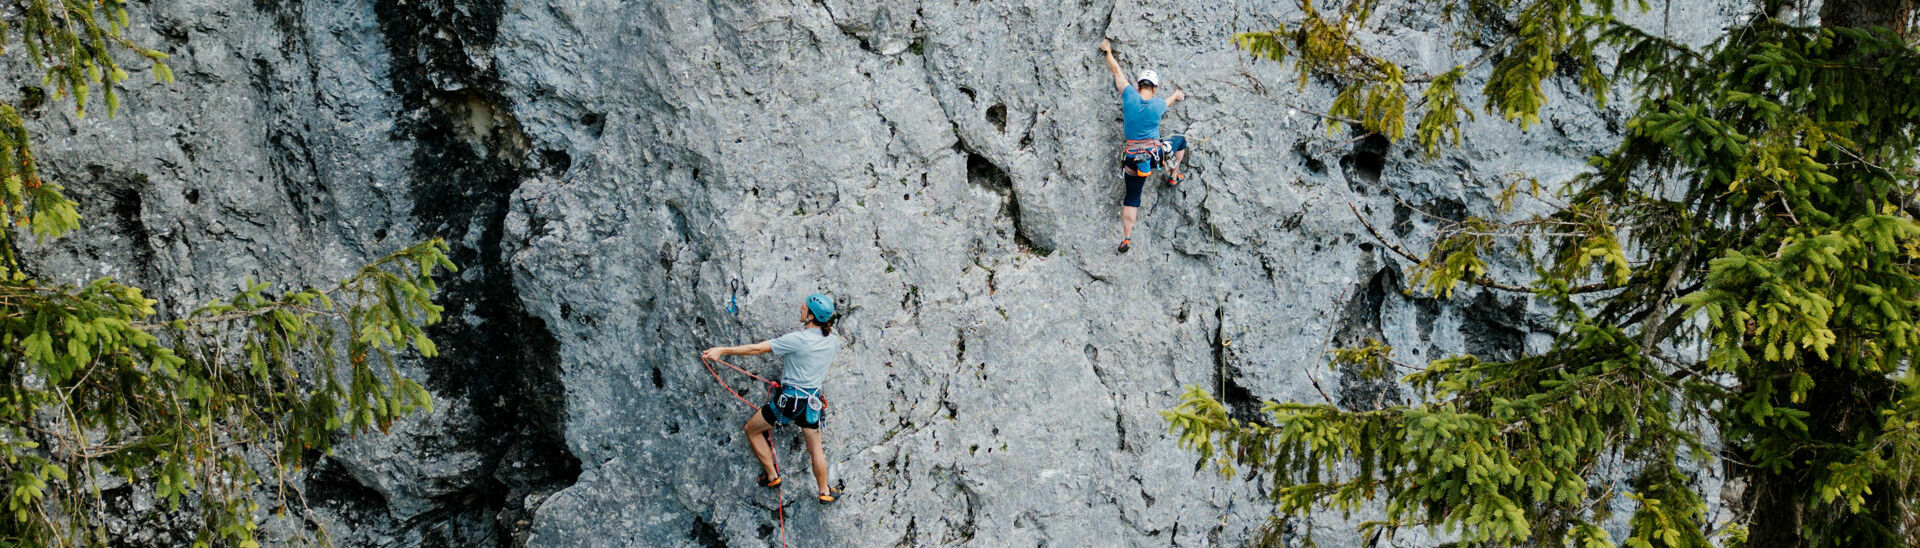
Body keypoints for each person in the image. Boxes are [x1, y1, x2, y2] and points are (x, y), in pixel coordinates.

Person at [703, 294, 844, 504]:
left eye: (804, 308)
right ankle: (824, 490)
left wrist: (722, 350)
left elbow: (757, 349)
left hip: (789, 402)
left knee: (751, 429)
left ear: (812, 316)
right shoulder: (833, 341)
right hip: (812, 404)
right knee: (816, 448)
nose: (800, 309)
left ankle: (772, 476)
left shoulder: (798, 339)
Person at [1099, 38, 1188, 254]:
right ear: (1155, 88)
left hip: (1132, 158)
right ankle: (1173, 174)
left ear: (1138, 86)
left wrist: (1107, 51)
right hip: (1155, 152)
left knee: (1132, 198)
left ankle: (1127, 238)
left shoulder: (1129, 96)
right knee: (1181, 141)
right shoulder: (1158, 104)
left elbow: (1117, 73)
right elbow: (1170, 100)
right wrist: (1177, 95)